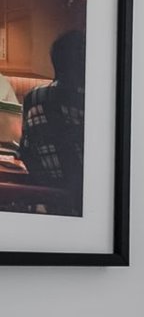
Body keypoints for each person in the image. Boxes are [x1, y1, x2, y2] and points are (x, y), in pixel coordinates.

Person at [21, 29, 85, 213]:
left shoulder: (33, 97)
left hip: (48, 204)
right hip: (84, 205)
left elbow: (25, 151)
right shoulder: (97, 103)